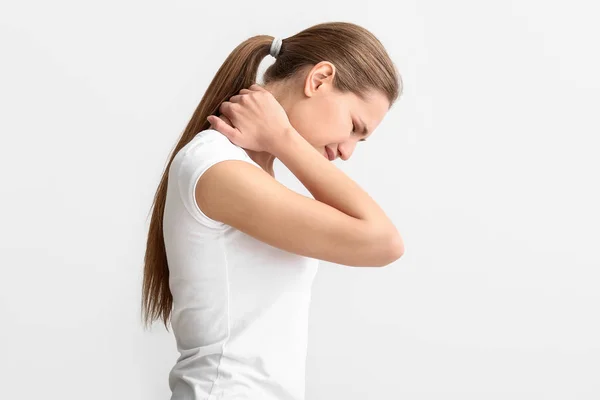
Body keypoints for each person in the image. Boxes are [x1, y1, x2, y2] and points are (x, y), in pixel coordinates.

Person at [141, 21, 405, 400]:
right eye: (353, 127)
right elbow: (384, 243)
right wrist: (283, 139)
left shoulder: (251, 173)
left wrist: (280, 144)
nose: (347, 151)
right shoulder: (217, 167)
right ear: (319, 79)